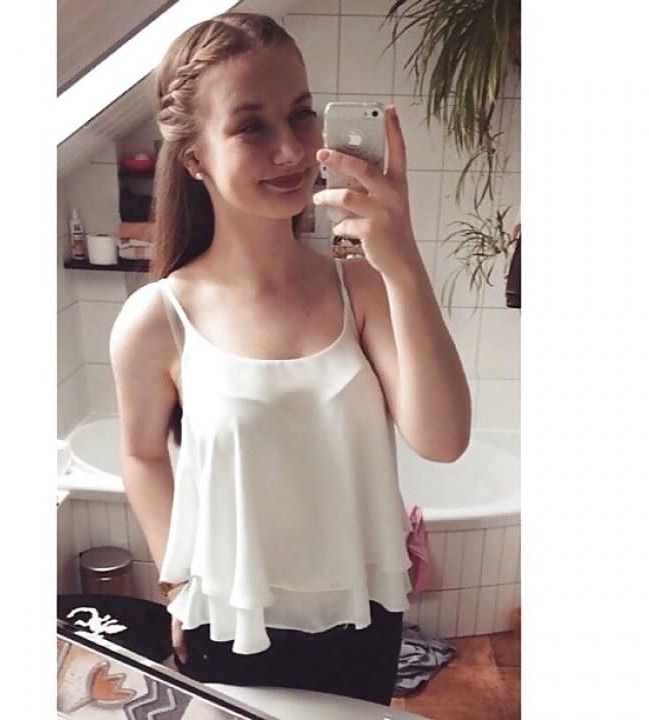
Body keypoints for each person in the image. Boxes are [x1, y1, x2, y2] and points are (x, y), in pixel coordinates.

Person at [109, 12, 471, 708]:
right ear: (194, 158)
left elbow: (444, 440)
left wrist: (401, 260)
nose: (292, 150)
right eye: (251, 126)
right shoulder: (158, 319)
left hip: (364, 614)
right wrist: (176, 582)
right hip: (229, 618)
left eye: (302, 114)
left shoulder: (362, 288)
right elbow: (142, 454)